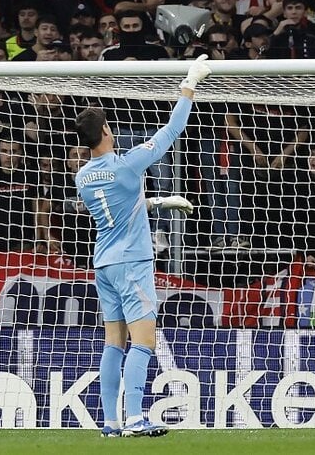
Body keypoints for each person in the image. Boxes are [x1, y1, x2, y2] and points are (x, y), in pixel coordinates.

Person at [73, 53, 211, 437]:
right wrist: (190, 83)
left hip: (104, 263)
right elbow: (171, 131)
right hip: (132, 261)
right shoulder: (126, 164)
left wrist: (158, 203)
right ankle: (135, 417)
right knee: (144, 342)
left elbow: (117, 208)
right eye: (109, 126)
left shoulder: (83, 177)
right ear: (104, 133)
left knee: (113, 342)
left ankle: (111, 423)